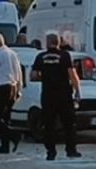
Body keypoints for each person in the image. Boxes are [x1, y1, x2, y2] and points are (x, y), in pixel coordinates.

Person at [32, 33, 82, 161]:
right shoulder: (65, 56)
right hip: (64, 94)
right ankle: (71, 150)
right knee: (69, 123)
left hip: (48, 94)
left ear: (47, 43)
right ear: (58, 42)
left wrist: (46, 77)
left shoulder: (40, 56)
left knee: (49, 124)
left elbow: (34, 75)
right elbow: (72, 75)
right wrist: (77, 90)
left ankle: (51, 152)